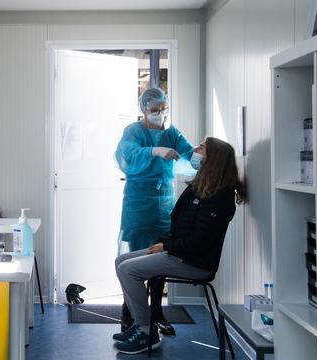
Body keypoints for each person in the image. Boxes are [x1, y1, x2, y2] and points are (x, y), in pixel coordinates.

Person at [113, 137, 246, 355]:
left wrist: (166, 246)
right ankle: (140, 322)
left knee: (128, 270)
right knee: (121, 261)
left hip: (194, 261)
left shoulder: (220, 197)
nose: (195, 150)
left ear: (213, 159)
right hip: (179, 252)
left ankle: (147, 331)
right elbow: (180, 225)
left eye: (201, 148)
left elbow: (200, 241)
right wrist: (164, 243)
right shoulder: (200, 186)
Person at [115, 87, 195, 334]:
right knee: (136, 259)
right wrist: (155, 151)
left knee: (159, 259)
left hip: (164, 203)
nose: (159, 114)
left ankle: (157, 314)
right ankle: (130, 314)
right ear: (143, 110)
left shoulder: (171, 132)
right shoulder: (134, 131)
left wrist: (203, 160)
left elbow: (188, 152)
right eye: (154, 110)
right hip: (139, 203)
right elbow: (126, 155)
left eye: (163, 109)